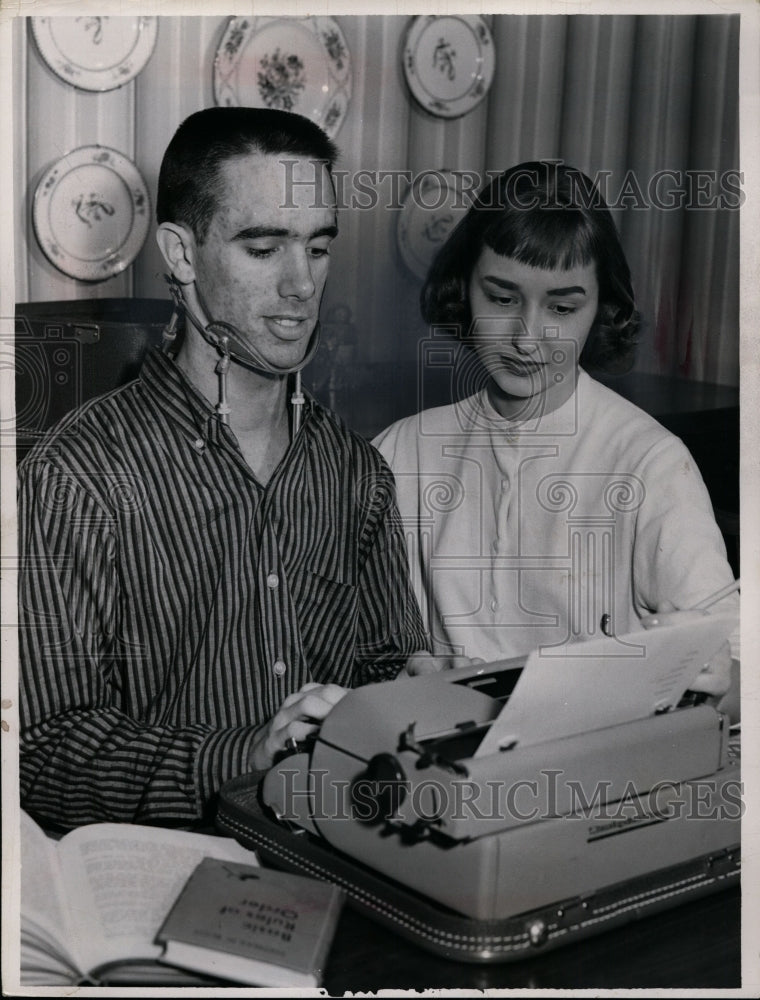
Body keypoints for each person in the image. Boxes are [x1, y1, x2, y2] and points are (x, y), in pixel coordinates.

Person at [18, 107, 431, 830]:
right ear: (181, 255)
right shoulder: (74, 478)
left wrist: (418, 695)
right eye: (264, 248)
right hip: (156, 878)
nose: (303, 285)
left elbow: (384, 672)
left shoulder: (358, 473)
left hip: (337, 858)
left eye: (318, 247)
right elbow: (44, 753)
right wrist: (246, 755)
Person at [374, 161, 738, 703]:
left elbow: (734, 667)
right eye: (501, 298)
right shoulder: (400, 451)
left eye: (563, 308)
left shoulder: (650, 463)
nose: (527, 338)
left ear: (602, 310)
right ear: (462, 289)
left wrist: (712, 673)